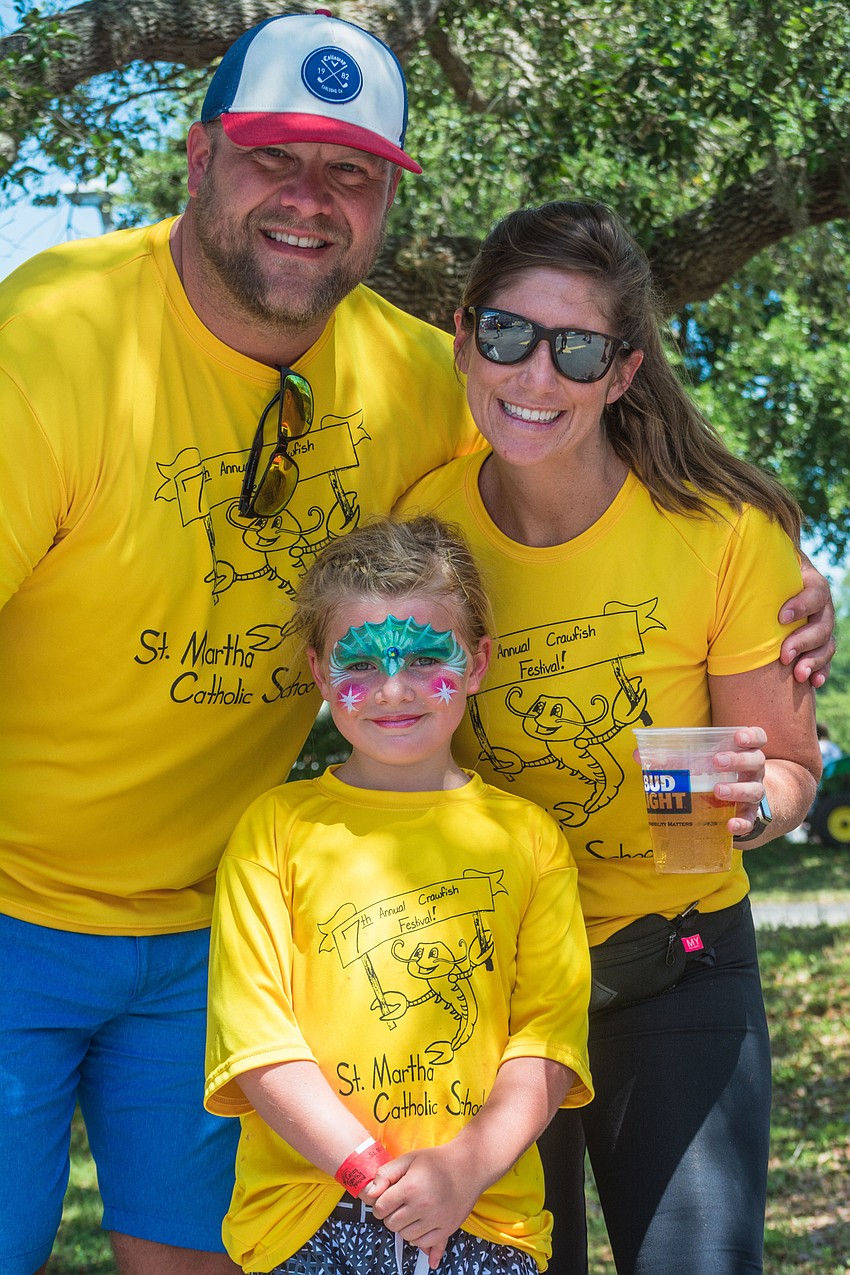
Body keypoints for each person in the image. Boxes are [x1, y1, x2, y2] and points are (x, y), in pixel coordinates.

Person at [0, 7, 832, 1270]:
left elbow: (582, 418)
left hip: (227, 935)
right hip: (28, 919)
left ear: (386, 204)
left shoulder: (421, 383)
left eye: (350, 172)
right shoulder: (52, 340)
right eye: (275, 156)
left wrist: (770, 566)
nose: (309, 199)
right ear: (197, 157)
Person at [396, 199, 824, 1275]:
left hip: (676, 968)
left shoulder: (722, 535)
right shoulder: (422, 526)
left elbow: (789, 767)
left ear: (621, 373)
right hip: (488, 980)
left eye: (575, 349)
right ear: (462, 336)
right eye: (506, 334)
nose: (534, 377)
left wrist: (753, 804)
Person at [204, 515, 593, 1275]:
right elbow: (257, 1044)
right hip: (307, 1218)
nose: (392, 689)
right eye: (361, 663)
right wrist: (373, 1176)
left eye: (424, 657)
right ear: (320, 673)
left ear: (477, 662)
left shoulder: (529, 839)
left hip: (483, 1212)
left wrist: (460, 1170)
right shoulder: (274, 829)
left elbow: (547, 1040)